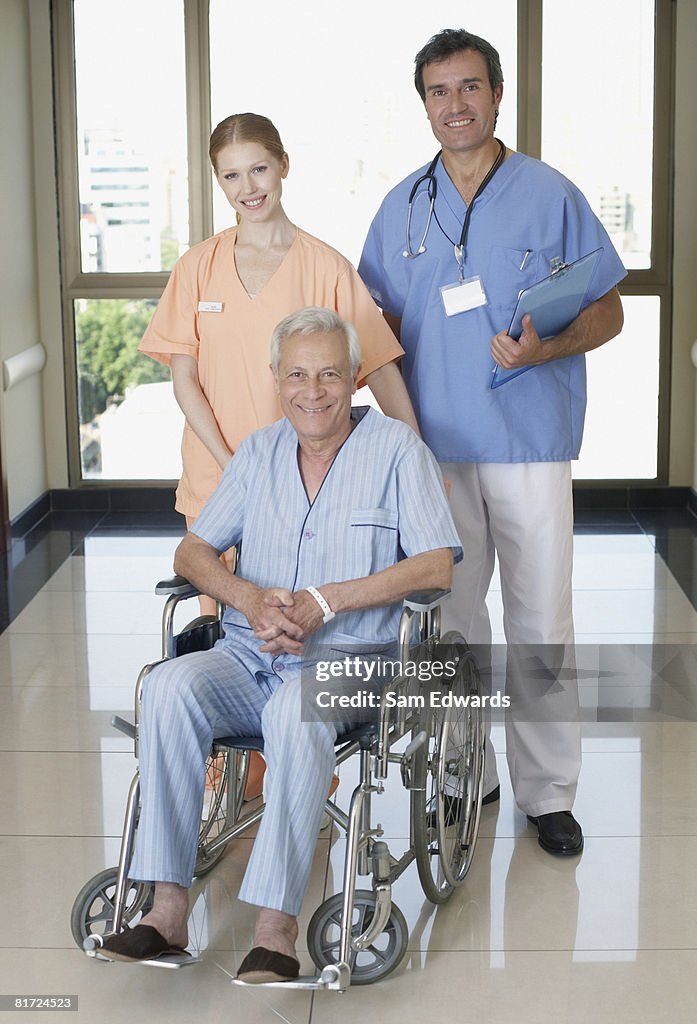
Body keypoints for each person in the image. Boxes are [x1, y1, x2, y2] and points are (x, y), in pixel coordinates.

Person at [98, 308, 461, 981]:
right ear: (275, 379)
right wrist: (246, 597)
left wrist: (328, 600)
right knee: (169, 686)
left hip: (353, 661)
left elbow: (435, 565)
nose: (312, 389)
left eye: (328, 373)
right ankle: (166, 912)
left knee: (298, 705)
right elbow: (194, 548)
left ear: (354, 377)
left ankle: (274, 929)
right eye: (295, 373)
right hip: (248, 653)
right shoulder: (259, 453)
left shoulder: (397, 451)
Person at [358, 29, 627, 856]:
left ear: (497, 94)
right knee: (451, 619)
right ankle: (461, 771)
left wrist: (543, 348)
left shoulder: (549, 194)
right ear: (424, 104)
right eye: (439, 92)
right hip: (436, 450)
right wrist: (397, 441)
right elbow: (376, 333)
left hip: (529, 438)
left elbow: (608, 309)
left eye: (469, 87)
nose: (455, 105)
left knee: (540, 615)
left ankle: (548, 793)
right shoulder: (403, 205)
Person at [139, 112, 419, 795]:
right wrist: (234, 460)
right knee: (224, 628)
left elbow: (377, 365)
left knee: (298, 622)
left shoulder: (323, 268)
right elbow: (183, 376)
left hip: (310, 486)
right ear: (218, 183)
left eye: (258, 169)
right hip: (218, 478)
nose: (247, 187)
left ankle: (298, 773)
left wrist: (414, 451)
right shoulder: (197, 266)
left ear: (283, 165)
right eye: (231, 176)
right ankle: (227, 773)